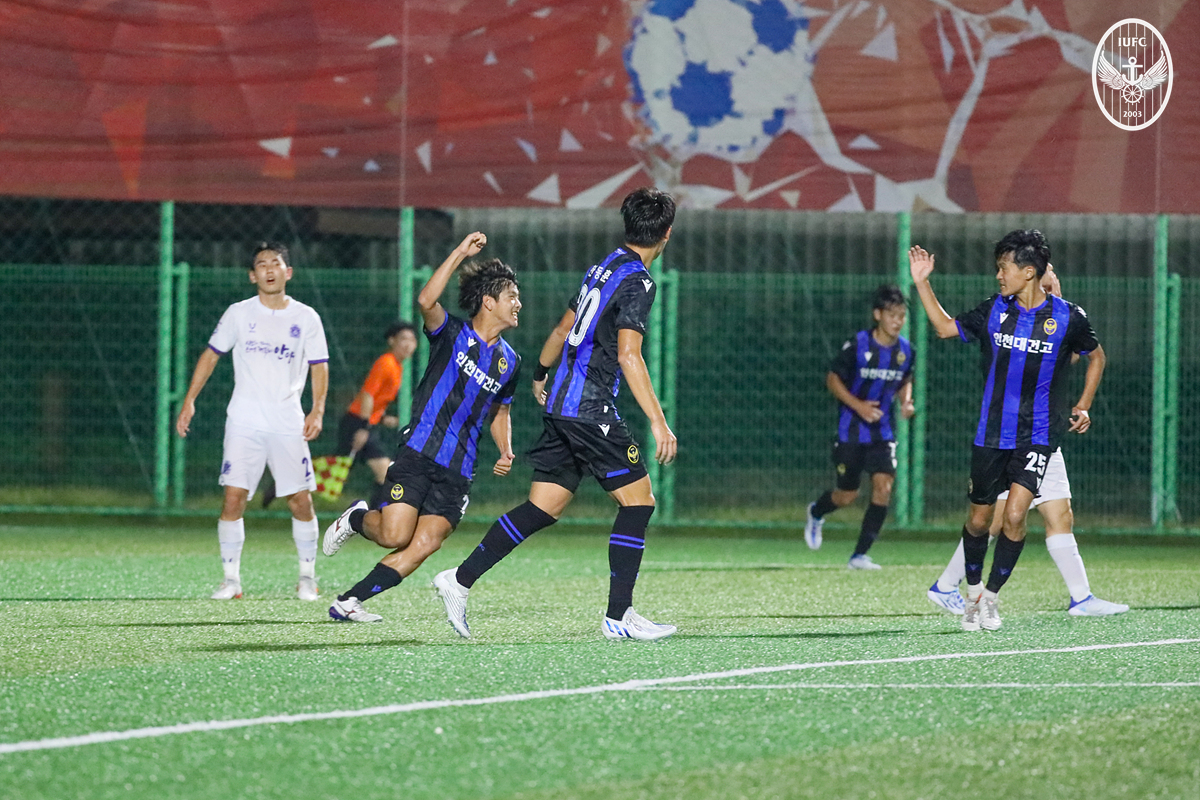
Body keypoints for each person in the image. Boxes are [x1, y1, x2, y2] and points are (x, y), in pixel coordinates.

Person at [432, 187, 679, 642]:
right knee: (639, 502)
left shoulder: (603, 266)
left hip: (562, 404)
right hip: (589, 408)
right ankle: (619, 616)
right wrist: (658, 421)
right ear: (666, 233)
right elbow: (629, 355)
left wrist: (541, 372)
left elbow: (564, 328)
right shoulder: (639, 281)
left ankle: (459, 580)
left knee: (543, 507)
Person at [909, 230, 1105, 631]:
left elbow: (1096, 356)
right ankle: (971, 593)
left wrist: (1083, 403)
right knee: (980, 521)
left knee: (1015, 516)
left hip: (1038, 436)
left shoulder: (1068, 317)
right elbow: (944, 328)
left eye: (1004, 267)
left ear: (1028, 272)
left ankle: (990, 599)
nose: (999, 275)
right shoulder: (994, 310)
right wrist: (922, 283)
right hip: (992, 433)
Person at [321, 232, 522, 623]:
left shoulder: (510, 362)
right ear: (488, 301)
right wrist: (460, 251)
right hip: (419, 453)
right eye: (512, 296)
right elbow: (426, 301)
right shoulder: (452, 333)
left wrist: (506, 448)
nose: (519, 304)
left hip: (459, 470)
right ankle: (357, 518)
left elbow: (500, 411)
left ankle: (349, 601)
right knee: (394, 535)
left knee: (425, 543)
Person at [176, 241, 329, 601]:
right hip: (243, 420)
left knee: (300, 500)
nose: (269, 269)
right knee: (233, 497)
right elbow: (211, 355)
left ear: (288, 272)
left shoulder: (306, 317)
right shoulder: (238, 314)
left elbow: (319, 366)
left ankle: (307, 578)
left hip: (287, 421)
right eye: (261, 264)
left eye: (275, 263)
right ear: (252, 275)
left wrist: (317, 409)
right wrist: (189, 400)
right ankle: (231, 581)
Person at [803, 284, 915, 569]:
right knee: (847, 495)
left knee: (883, 487)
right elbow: (832, 380)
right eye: (892, 315)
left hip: (882, 432)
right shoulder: (858, 345)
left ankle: (859, 555)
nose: (897, 321)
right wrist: (859, 406)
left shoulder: (905, 351)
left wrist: (906, 402)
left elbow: (905, 379)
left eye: (901, 316)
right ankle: (816, 512)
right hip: (850, 430)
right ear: (878, 315)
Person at [263, 321, 418, 509]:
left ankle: (286, 479)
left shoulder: (397, 367)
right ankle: (375, 515)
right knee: (376, 471)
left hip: (364, 423)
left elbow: (377, 400)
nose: (408, 344)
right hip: (357, 423)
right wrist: (363, 428)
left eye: (412, 340)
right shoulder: (386, 363)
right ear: (392, 341)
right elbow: (367, 395)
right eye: (403, 339)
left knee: (343, 468)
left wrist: (382, 418)